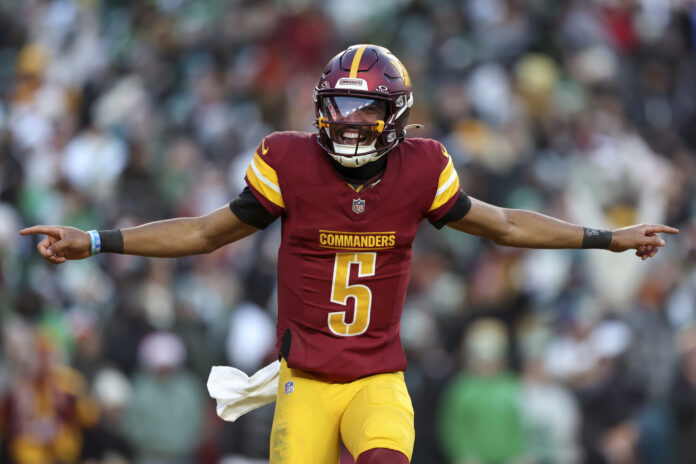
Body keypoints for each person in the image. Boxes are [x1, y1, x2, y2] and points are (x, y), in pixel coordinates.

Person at [20, 44, 679, 464]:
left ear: (394, 116)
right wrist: (99, 240)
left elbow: (502, 225)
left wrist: (606, 237)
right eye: (339, 107)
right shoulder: (289, 159)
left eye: (365, 111)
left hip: (375, 379)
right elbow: (203, 233)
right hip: (303, 381)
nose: (349, 122)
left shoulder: (424, 168)